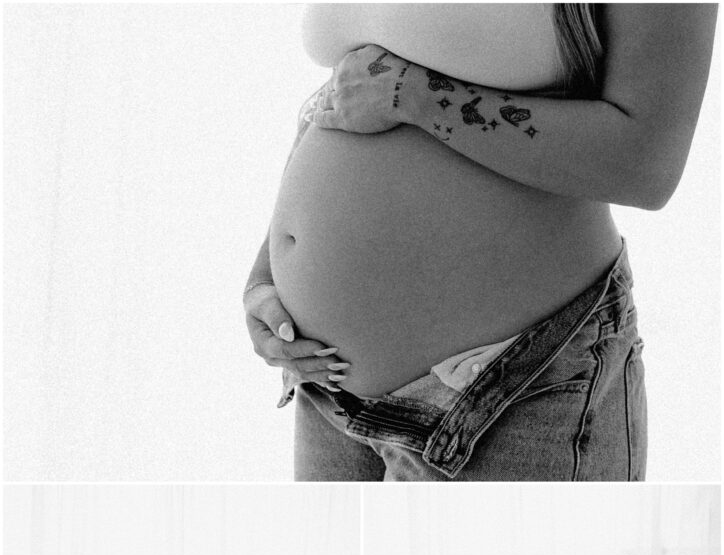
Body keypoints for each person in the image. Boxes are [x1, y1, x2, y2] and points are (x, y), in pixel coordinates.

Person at [244, 4, 717, 481]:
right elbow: (351, 84)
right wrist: (268, 275)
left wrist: (415, 95)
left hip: (513, 386)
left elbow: (645, 162)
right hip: (328, 388)